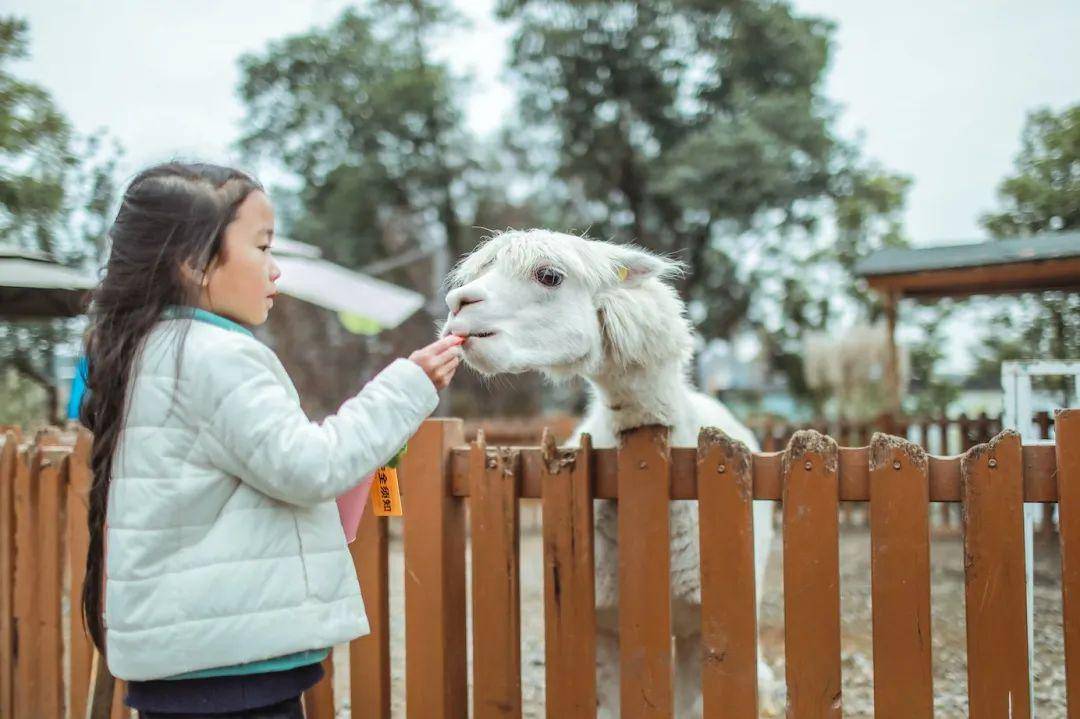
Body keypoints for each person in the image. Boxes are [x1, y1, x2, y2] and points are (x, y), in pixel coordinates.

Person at [79, 162, 463, 718]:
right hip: (230, 671)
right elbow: (310, 467)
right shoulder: (216, 356)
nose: (276, 270)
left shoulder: (147, 350)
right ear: (194, 262)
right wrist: (409, 385)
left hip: (190, 661)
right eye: (261, 248)